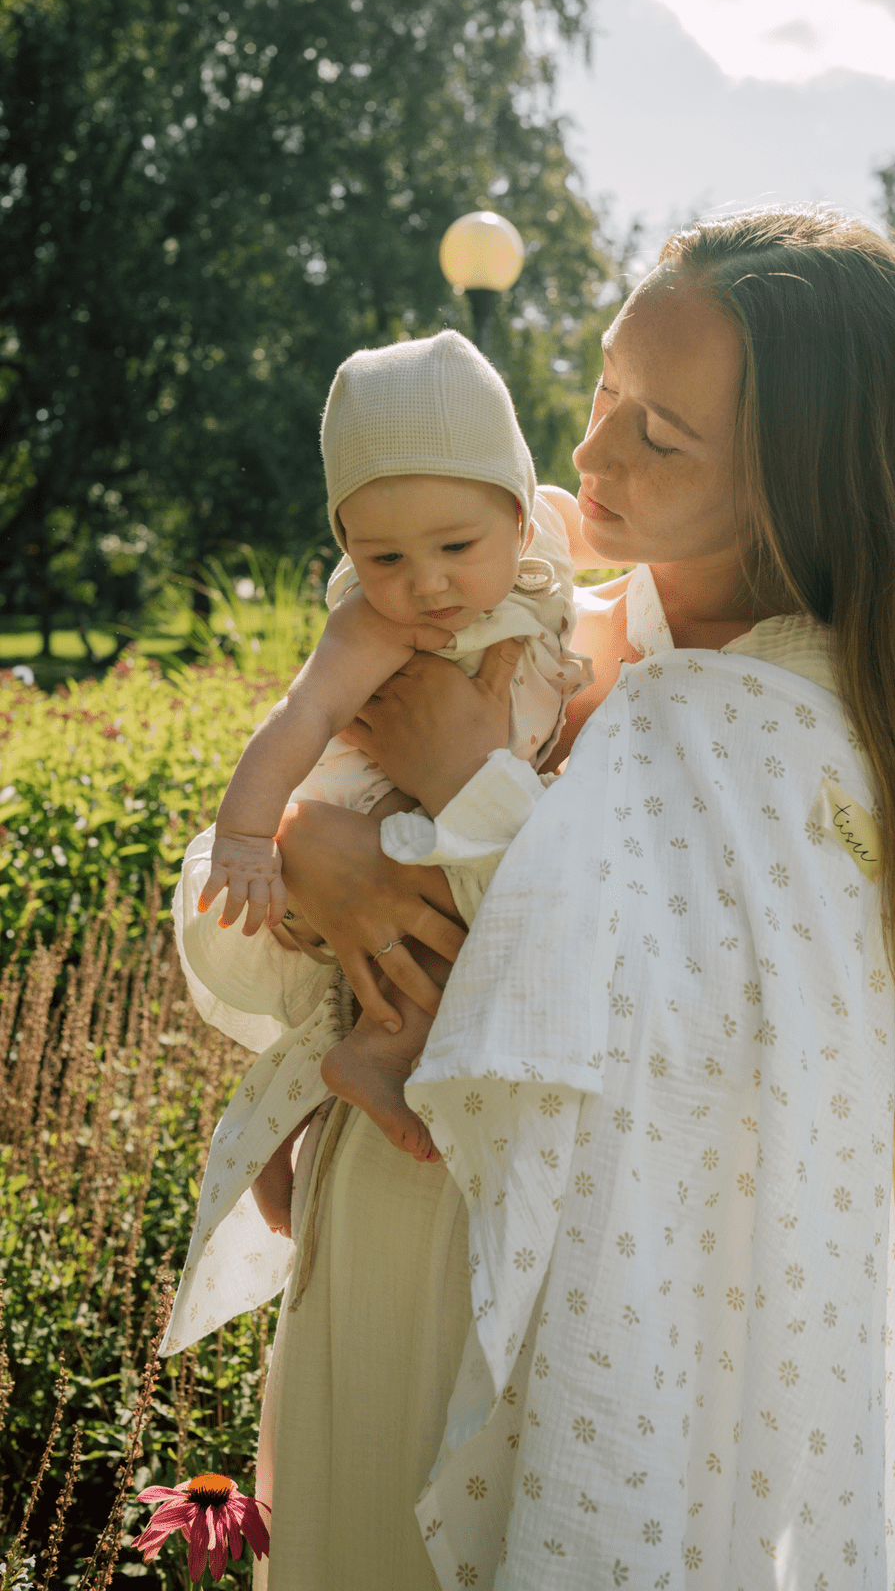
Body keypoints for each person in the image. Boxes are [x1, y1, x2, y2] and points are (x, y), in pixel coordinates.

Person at [165, 208, 895, 1590]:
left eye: (657, 436)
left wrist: (474, 787)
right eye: (605, 391)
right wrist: (317, 856)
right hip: (376, 1245)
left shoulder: (806, 739)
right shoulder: (537, 631)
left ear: (796, 477)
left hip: (568, 1318)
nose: (588, 451)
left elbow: (685, 1059)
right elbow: (234, 889)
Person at [186, 328, 591, 1180]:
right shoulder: (375, 625)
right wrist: (246, 834)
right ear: (346, 543)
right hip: (380, 816)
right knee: (436, 929)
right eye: (384, 557)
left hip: (461, 795)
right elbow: (303, 713)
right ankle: (368, 1060)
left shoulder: (542, 540)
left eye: (455, 548)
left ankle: (286, 1127)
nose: (426, 583)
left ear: (518, 514)